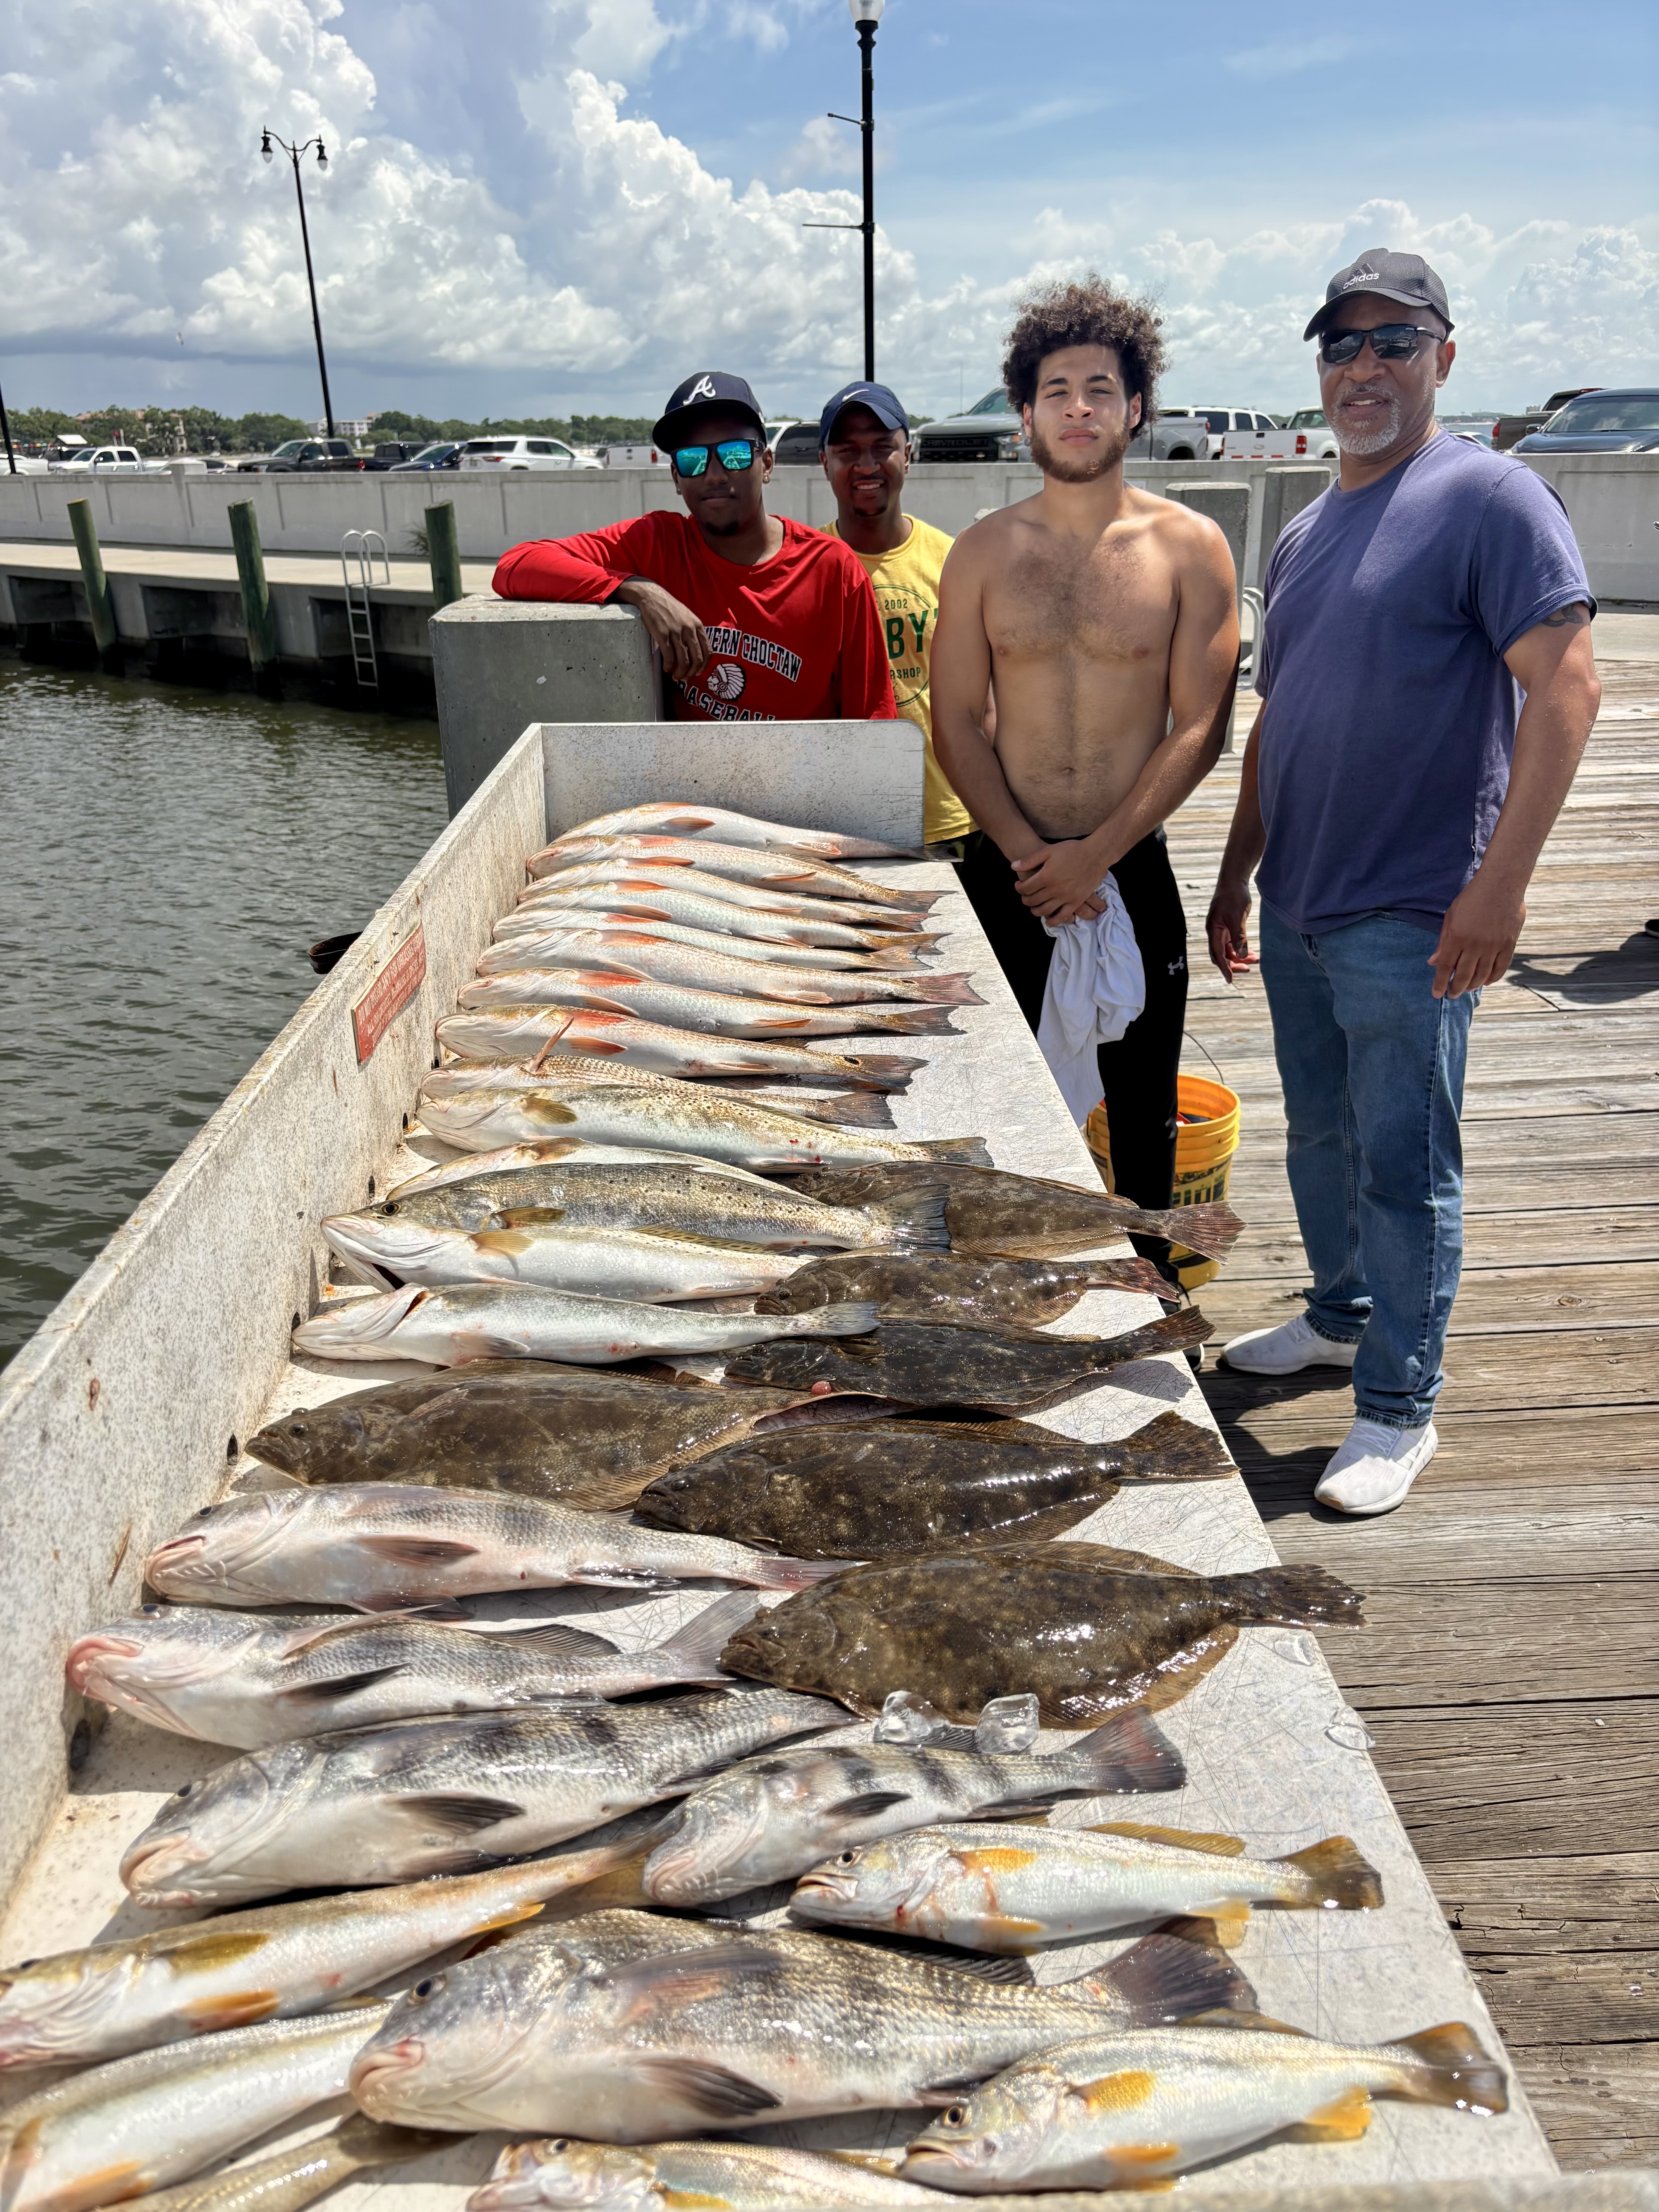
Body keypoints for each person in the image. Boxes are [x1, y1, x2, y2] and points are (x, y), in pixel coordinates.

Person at [1206, 249, 1600, 1516]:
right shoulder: (1309, 528)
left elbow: (1569, 688)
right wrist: (1233, 872)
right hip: (1300, 904)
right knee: (1317, 1140)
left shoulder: (1491, 497)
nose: (1361, 367)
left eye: (1390, 341)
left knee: (1403, 1158)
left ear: (1445, 352)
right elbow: (1278, 718)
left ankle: (1396, 1405)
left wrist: (1498, 893)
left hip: (1412, 908)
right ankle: (1336, 1319)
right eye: (1338, 345)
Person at [930, 276, 1241, 1213]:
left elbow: (1203, 725)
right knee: (994, 1109)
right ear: (1025, 411)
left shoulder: (1190, 548)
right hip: (1008, 870)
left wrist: (1093, 861)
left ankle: (1150, 1308)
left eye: (1100, 389)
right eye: (1057, 390)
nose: (1078, 408)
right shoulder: (981, 552)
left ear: (1135, 407)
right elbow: (955, 721)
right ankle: (1005, 1311)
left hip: (1130, 867)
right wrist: (1034, 859)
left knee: (1144, 1111)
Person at [493, 371, 896, 725]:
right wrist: (641, 591)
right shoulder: (657, 544)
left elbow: (874, 723)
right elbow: (516, 565)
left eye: (735, 454)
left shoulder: (833, 570)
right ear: (675, 476)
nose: (715, 474)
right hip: (694, 808)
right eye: (692, 460)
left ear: (767, 464)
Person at [817, 380, 974, 855]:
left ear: (909, 454)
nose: (866, 465)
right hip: (843, 822)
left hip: (950, 815)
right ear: (824, 462)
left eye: (882, 447)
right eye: (847, 451)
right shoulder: (805, 565)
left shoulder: (954, 560)